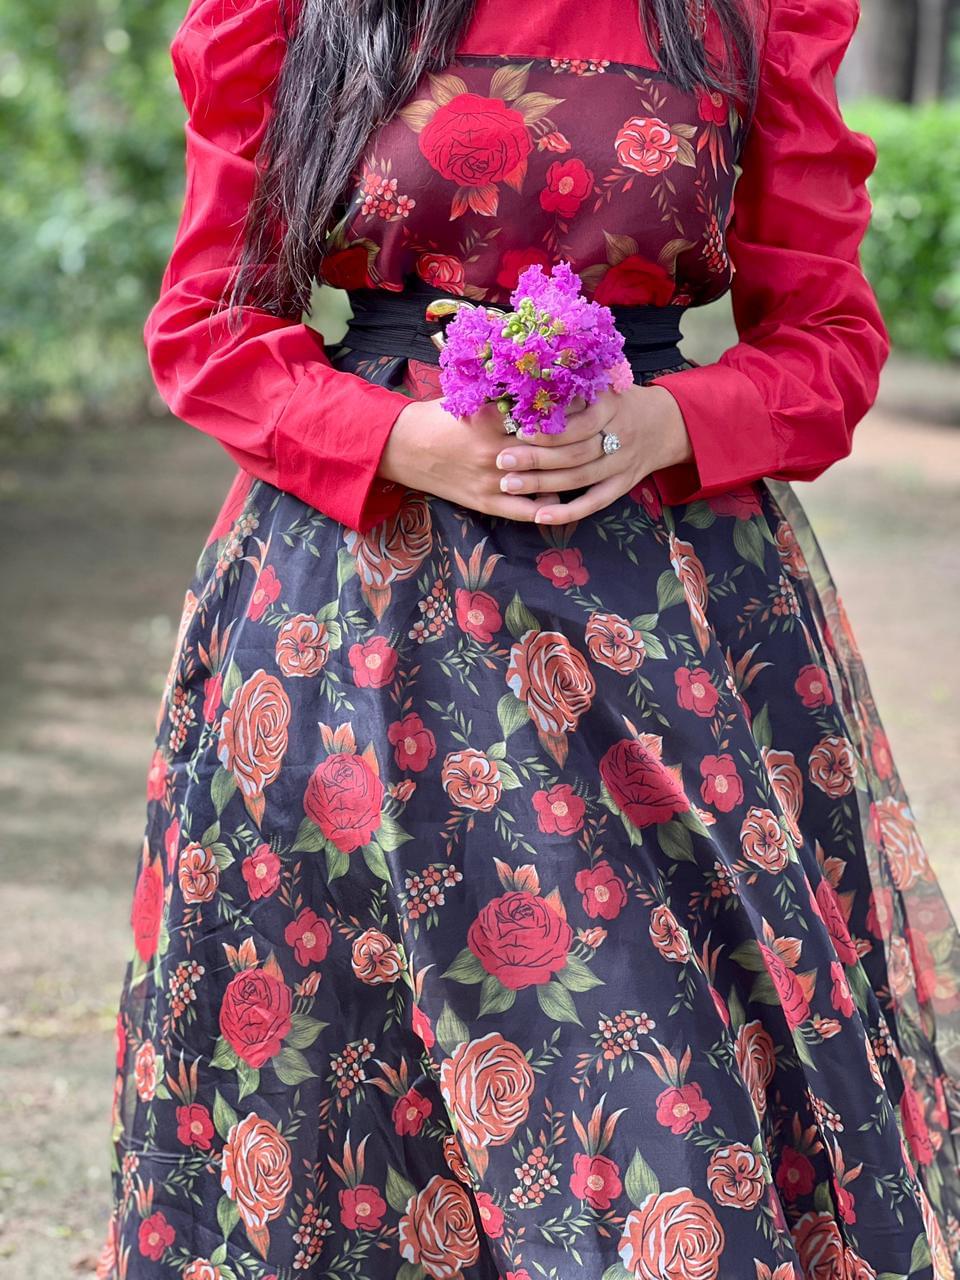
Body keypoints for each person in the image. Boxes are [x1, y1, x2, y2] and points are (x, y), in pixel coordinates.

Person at [100, 0, 960, 1275]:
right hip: (356, 631)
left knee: (664, 1124)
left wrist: (667, 422)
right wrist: (404, 440)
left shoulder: (756, 13)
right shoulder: (287, 14)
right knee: (358, 1129)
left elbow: (831, 343)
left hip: (668, 633)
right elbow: (208, 325)